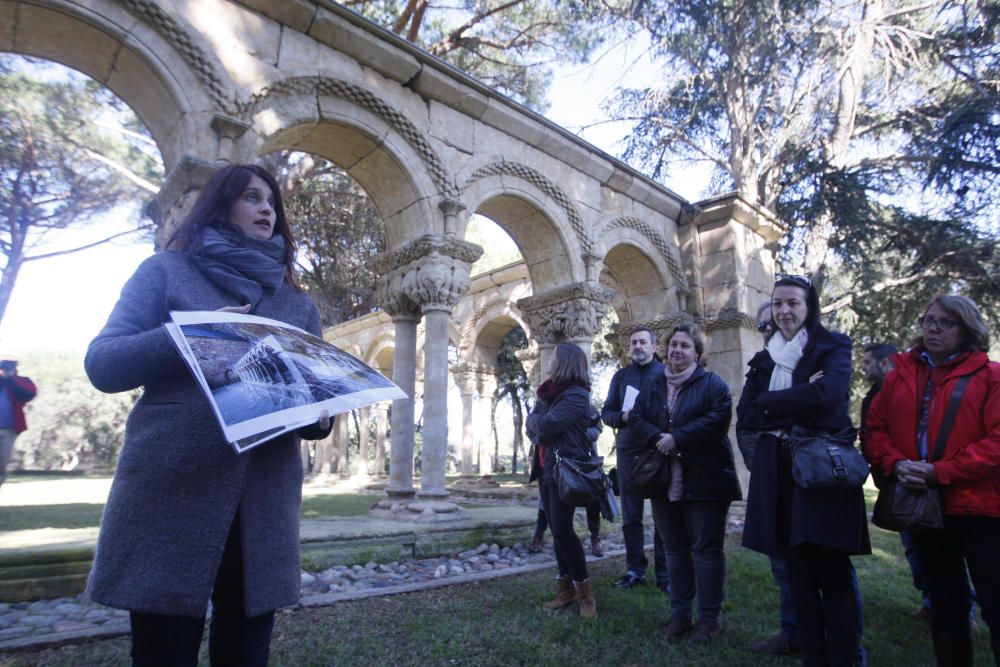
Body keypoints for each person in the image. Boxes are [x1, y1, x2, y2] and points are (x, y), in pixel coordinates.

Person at [84, 164, 333, 667]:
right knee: (164, 651)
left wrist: (320, 411)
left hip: (262, 500)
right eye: (252, 197)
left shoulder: (297, 305)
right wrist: (189, 336)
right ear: (220, 205)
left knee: (245, 649)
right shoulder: (164, 272)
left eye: (272, 203)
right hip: (171, 487)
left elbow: (315, 411)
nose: (267, 209)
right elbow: (104, 362)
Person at [738, 275, 871, 666]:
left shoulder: (831, 346)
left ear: (809, 306)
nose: (784, 311)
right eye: (778, 303)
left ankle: (846, 657)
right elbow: (746, 413)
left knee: (832, 573)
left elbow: (828, 398)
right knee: (797, 576)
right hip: (779, 473)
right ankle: (813, 656)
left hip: (820, 473)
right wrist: (800, 395)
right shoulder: (764, 359)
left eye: (793, 303)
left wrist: (772, 402)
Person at [865, 294, 1000, 666]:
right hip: (924, 506)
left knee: (995, 601)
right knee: (946, 605)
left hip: (981, 508)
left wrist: (940, 472)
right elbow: (874, 428)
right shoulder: (902, 374)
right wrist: (894, 463)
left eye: (946, 322)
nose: (933, 328)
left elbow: (997, 443)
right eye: (928, 320)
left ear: (968, 329)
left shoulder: (991, 376)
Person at [630, 324, 741, 645]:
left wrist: (677, 439)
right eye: (674, 345)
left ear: (697, 353)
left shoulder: (712, 384)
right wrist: (657, 438)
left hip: (705, 480)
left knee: (706, 551)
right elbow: (636, 418)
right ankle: (680, 616)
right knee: (675, 551)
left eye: (685, 346)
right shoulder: (653, 383)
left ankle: (709, 621)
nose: (678, 350)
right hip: (663, 481)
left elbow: (718, 419)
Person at [526, 342, 599, 618]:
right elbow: (533, 427)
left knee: (564, 530)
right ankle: (565, 588)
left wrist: (538, 424)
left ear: (565, 362)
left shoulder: (577, 395)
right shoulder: (547, 392)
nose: (549, 361)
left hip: (564, 469)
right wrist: (539, 424)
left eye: (553, 357)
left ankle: (585, 594)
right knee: (557, 531)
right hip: (546, 468)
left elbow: (544, 426)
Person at [601, 326, 669, 591]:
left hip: (658, 448)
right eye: (633, 343)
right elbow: (607, 414)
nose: (637, 347)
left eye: (643, 342)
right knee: (631, 515)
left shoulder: (665, 373)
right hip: (629, 450)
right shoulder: (620, 377)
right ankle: (634, 570)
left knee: (663, 514)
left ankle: (665, 574)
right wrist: (624, 417)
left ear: (654, 346)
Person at [0, 355, 37, 490]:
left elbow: (29, 394)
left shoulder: (21, 381)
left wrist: (11, 379)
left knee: (2, 463)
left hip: (10, 429)